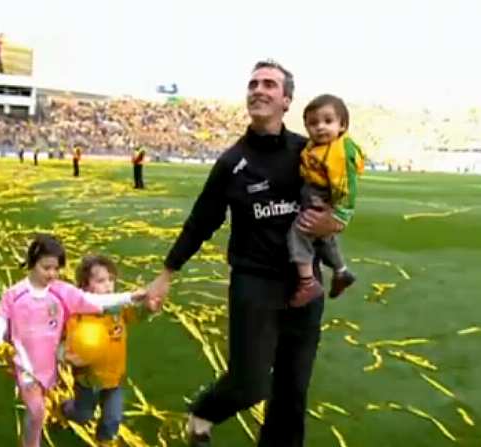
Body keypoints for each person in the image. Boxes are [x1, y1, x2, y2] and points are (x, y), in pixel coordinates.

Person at [146, 60, 345, 447]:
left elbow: (340, 205)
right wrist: (167, 273)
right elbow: (201, 221)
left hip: (305, 286)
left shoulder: (310, 154)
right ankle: (204, 412)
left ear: (286, 100)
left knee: (292, 393)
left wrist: (332, 225)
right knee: (250, 384)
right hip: (254, 285)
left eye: (269, 84)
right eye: (253, 83)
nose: (258, 89)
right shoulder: (231, 163)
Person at [0, 235, 149, 447]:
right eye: (47, 268)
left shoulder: (63, 291)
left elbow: (95, 301)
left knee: (60, 409)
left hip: (48, 365)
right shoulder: (15, 294)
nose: (52, 274)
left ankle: (66, 414)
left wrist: (130, 297)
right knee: (36, 411)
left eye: (57, 268)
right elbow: (2, 315)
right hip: (24, 363)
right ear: (32, 263)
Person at [61, 255, 151, 446]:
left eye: (111, 280)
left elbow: (136, 314)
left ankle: (104, 441)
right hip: (87, 380)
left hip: (114, 379)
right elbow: (60, 341)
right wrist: (65, 355)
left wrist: (148, 308)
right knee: (82, 415)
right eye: (101, 281)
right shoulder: (77, 315)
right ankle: (67, 408)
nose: (109, 286)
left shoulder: (117, 311)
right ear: (85, 287)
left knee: (113, 420)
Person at [288, 94, 365, 306]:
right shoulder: (316, 146)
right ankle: (341, 272)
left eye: (328, 121)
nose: (320, 127)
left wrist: (339, 213)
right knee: (322, 237)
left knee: (300, 231)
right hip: (314, 192)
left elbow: (345, 186)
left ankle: (307, 281)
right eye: (313, 123)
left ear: (342, 125)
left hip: (322, 196)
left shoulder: (339, 151)